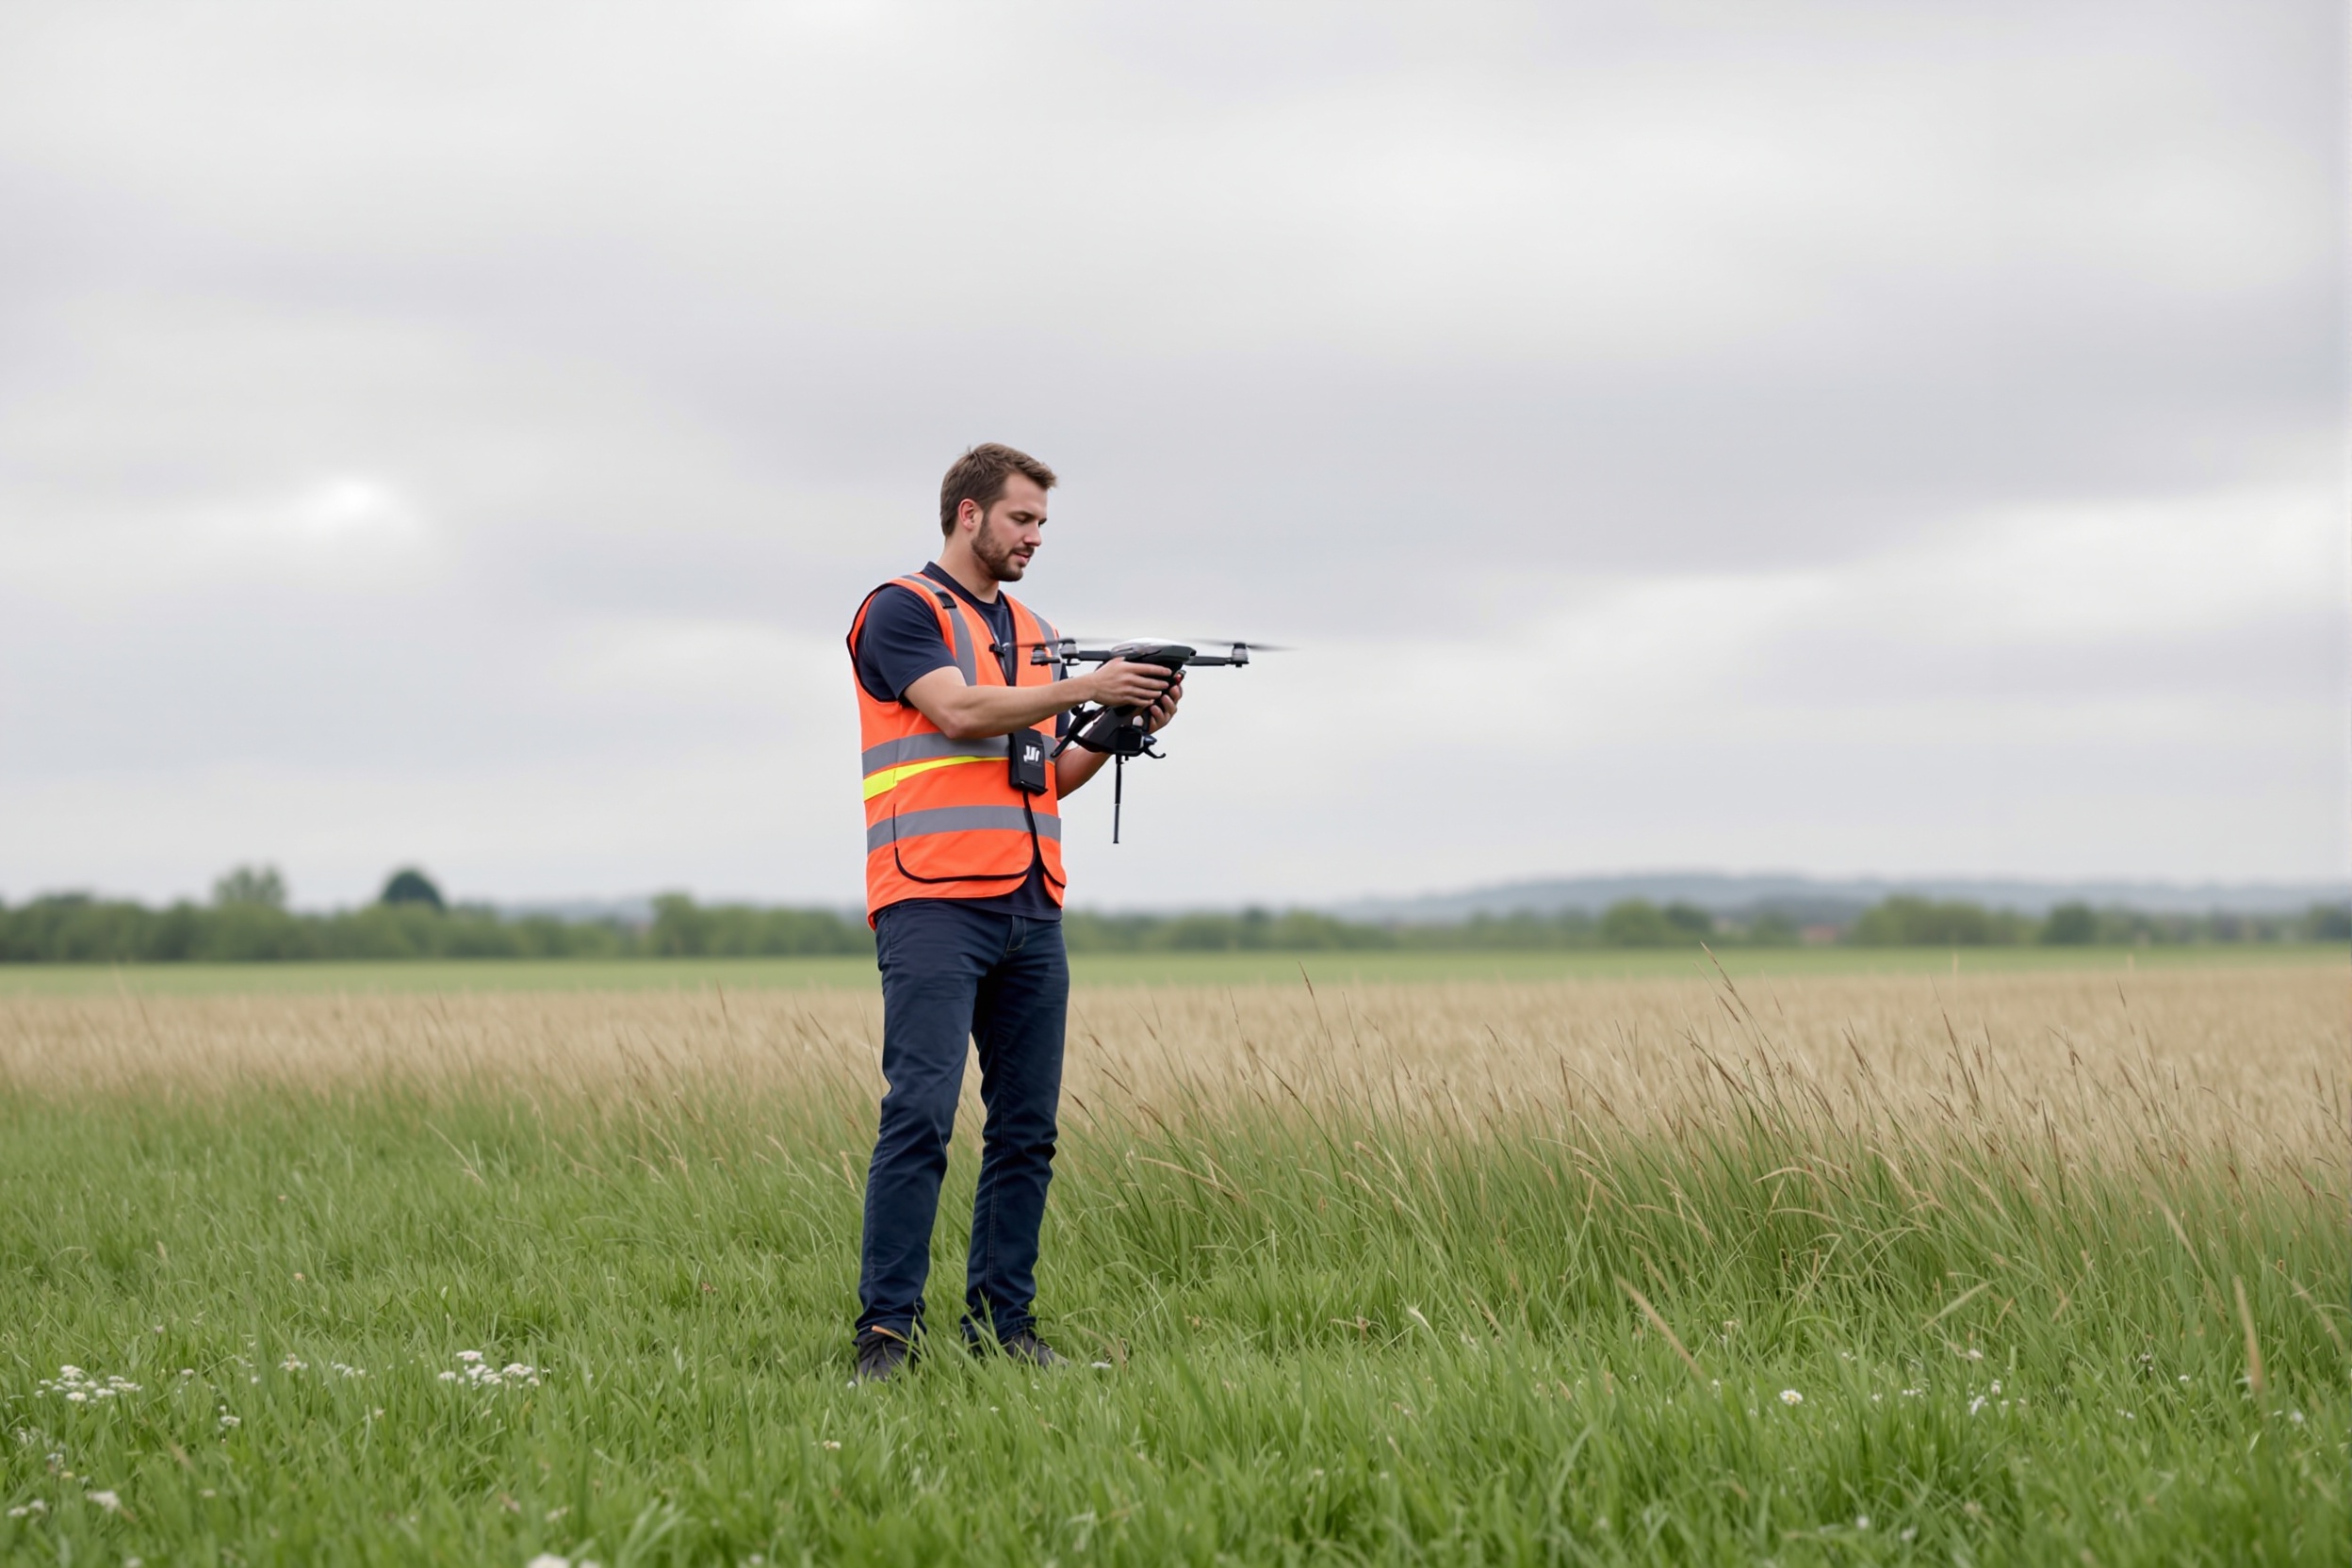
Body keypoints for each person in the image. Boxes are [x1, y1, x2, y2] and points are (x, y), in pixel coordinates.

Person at [844, 442, 1180, 1382]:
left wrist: (1121, 727)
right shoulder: (902, 609)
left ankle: (1003, 1327)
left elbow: (1045, 776)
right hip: (932, 899)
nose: (1035, 536)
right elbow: (957, 713)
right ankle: (886, 1335)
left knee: (1027, 1128)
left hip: (1032, 905)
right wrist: (1089, 686)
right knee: (920, 1114)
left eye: (1042, 522)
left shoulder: (1035, 630)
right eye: (1022, 518)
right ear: (969, 514)